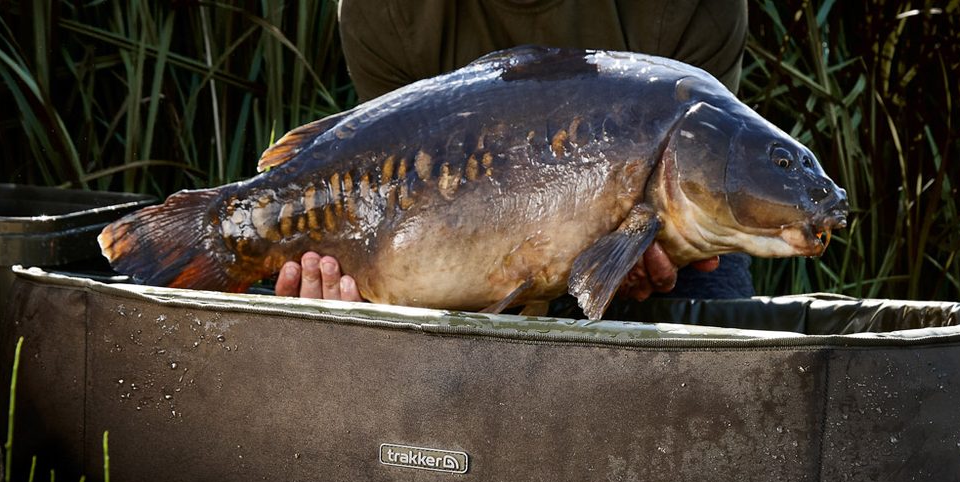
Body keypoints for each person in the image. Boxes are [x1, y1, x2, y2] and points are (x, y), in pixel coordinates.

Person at [275, 0, 753, 306]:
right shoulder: (384, 12)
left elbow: (711, 172)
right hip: (449, 233)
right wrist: (350, 290)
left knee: (720, 315)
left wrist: (629, 250)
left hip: (637, 233)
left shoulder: (701, 8)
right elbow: (384, 169)